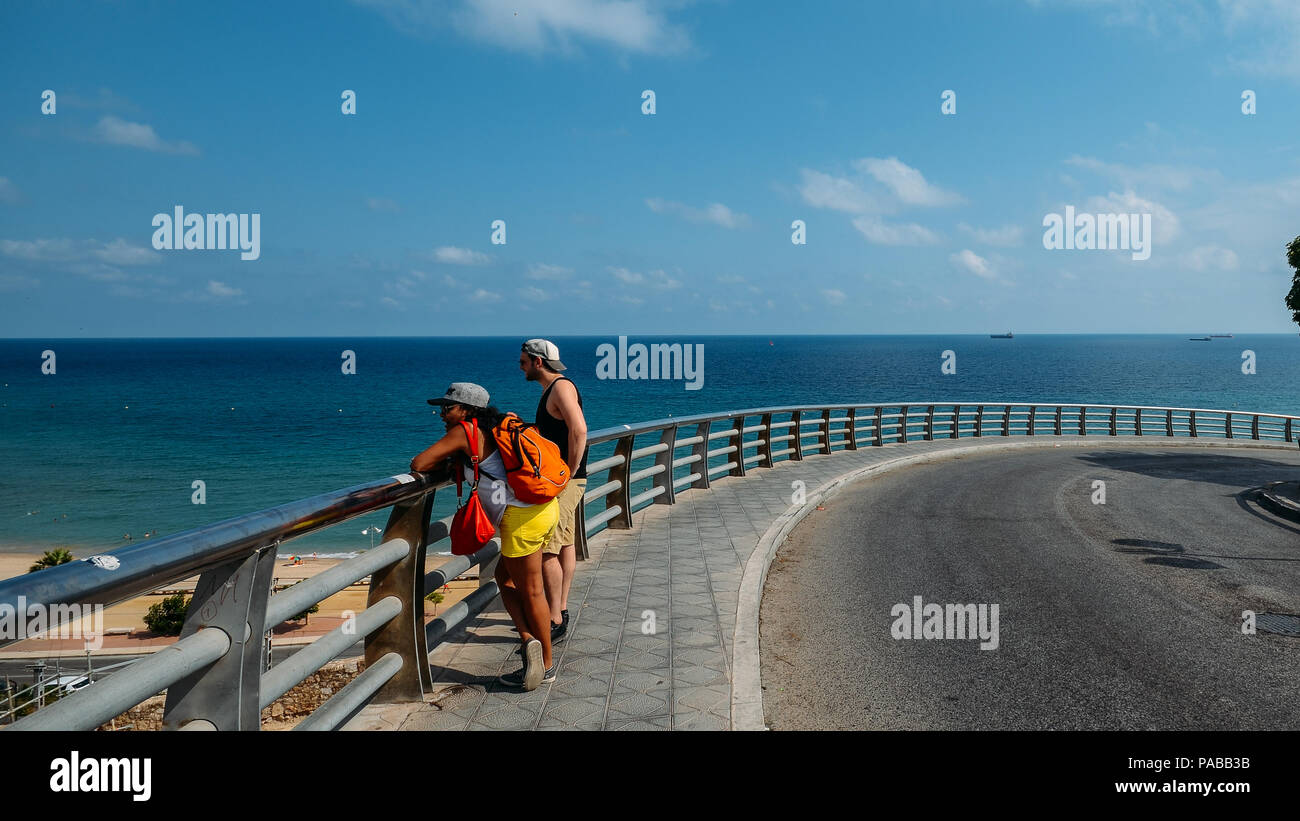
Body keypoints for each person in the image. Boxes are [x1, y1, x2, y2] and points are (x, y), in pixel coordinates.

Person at [409, 382, 558, 690]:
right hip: (543, 508)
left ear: (467, 410)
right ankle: (528, 639)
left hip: (522, 517)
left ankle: (545, 664)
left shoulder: (465, 432)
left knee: (531, 591)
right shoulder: (497, 426)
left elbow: (419, 464)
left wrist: (449, 460)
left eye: (447, 408)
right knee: (504, 579)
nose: (441, 415)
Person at [519, 339, 588, 643]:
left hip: (564, 482)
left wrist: (568, 474)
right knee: (566, 544)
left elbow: (579, 429)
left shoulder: (560, 387)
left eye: (523, 360)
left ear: (537, 361)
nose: (519, 365)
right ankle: (561, 608)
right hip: (567, 480)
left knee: (548, 549)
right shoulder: (552, 389)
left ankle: (554, 620)